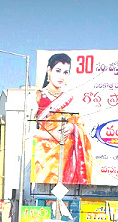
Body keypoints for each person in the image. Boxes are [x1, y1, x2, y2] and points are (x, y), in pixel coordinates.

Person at [34, 53, 93, 185]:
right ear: (49, 70)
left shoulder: (70, 99)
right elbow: (27, 131)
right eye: (58, 70)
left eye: (66, 72)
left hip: (66, 157)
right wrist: (52, 136)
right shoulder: (37, 97)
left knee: (66, 194)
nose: (61, 76)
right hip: (44, 156)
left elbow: (80, 125)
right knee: (46, 193)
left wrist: (72, 128)